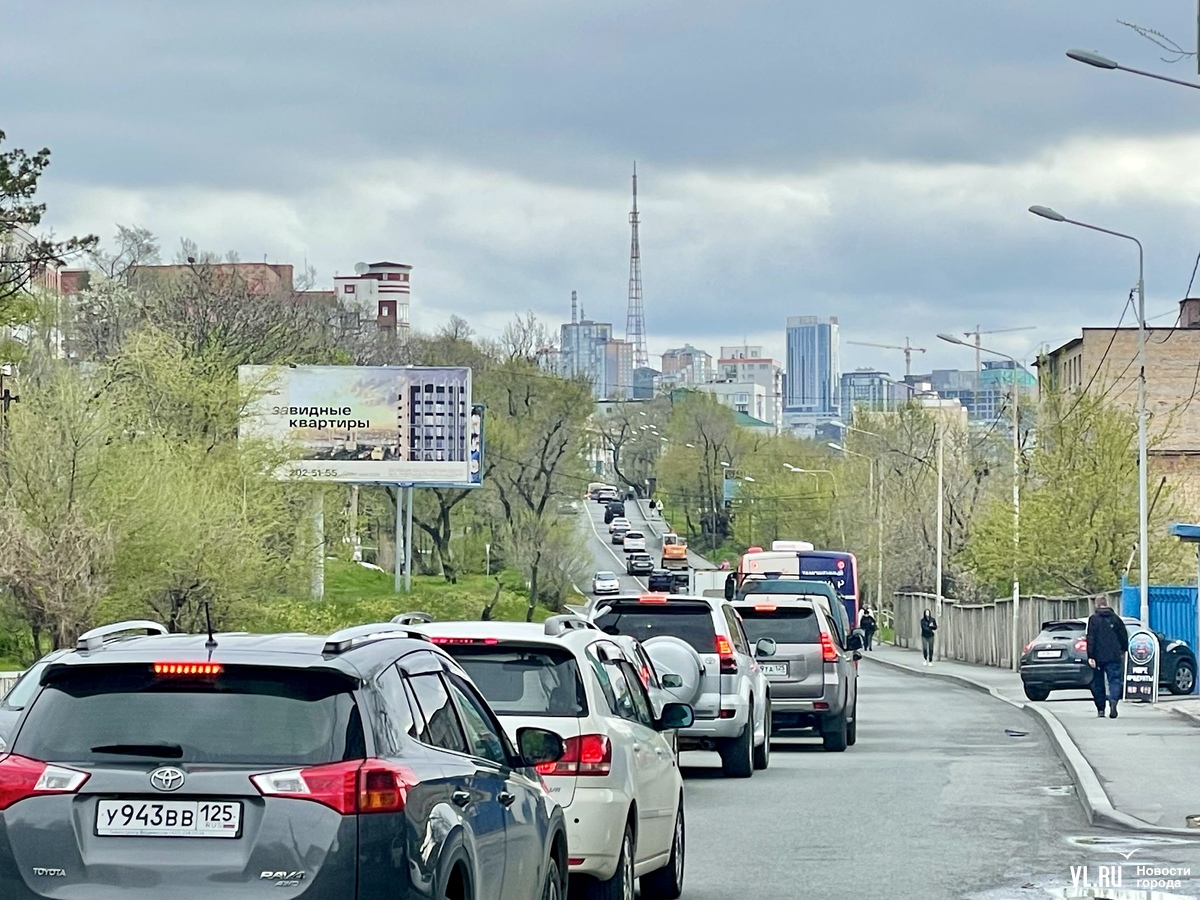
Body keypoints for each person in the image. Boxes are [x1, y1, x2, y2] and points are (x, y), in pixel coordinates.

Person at [1086, 595, 1129, 719]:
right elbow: (1123, 636)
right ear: (1107, 603)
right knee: (1114, 680)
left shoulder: (1093, 619)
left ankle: (1101, 709)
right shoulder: (1115, 619)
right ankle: (1114, 700)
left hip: (1098, 656)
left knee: (1098, 683)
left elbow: (1091, 638)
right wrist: (1123, 649)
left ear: (1096, 604)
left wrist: (1090, 656)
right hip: (1114, 655)